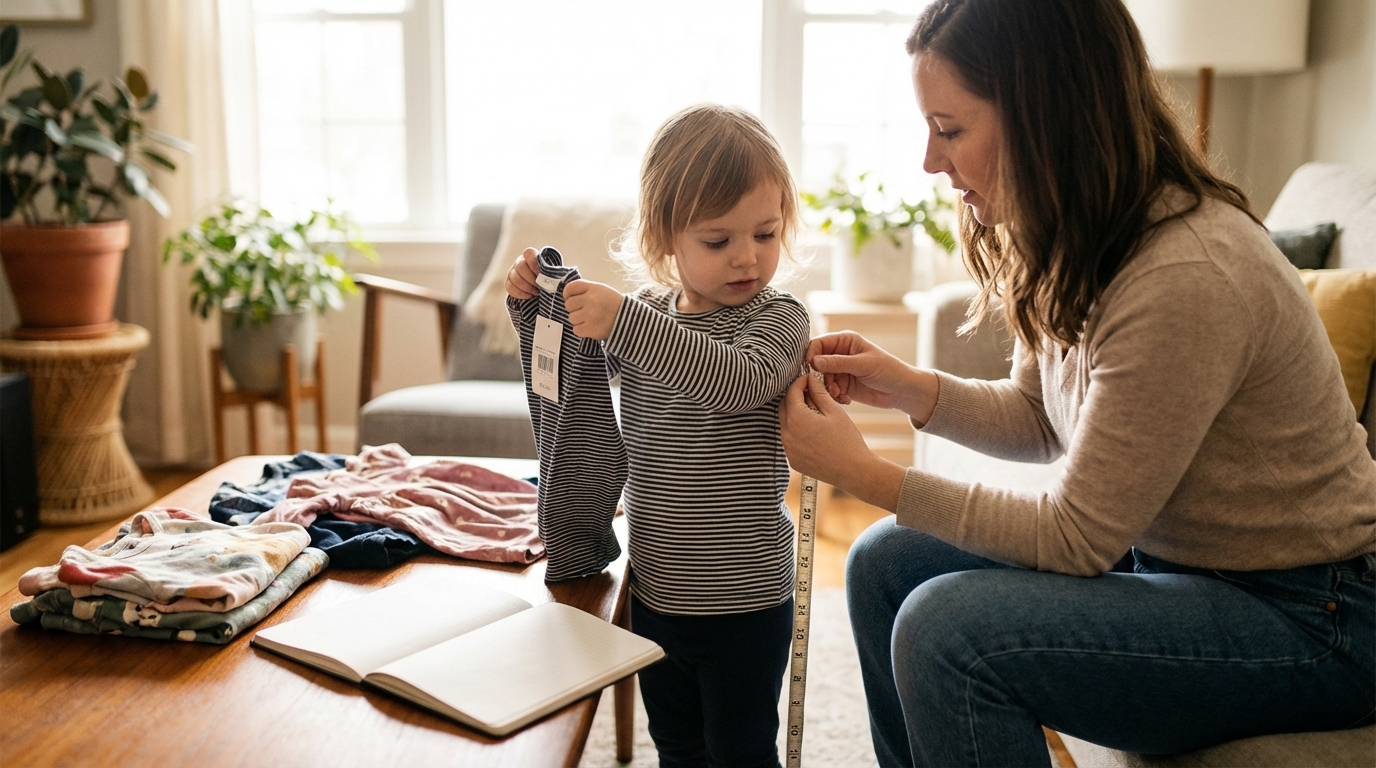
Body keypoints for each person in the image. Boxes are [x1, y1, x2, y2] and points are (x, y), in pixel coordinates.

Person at [776, 0, 1376, 765]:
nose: (930, 160)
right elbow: (1040, 414)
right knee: (884, 563)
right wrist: (907, 388)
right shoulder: (1080, 233)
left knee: (946, 629)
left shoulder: (1185, 273)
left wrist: (862, 473)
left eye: (951, 129)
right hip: (1180, 568)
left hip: (1314, 616)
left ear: (1043, 115)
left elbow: (1075, 538)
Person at [506, 104, 810, 767]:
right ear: (664, 236)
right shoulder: (645, 314)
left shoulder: (778, 321)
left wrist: (623, 322)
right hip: (656, 593)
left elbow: (734, 382)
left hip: (747, 600)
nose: (746, 257)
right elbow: (578, 381)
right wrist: (541, 308)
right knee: (677, 747)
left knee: (741, 753)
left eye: (765, 233)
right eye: (717, 239)